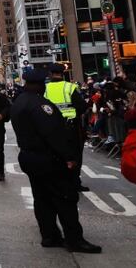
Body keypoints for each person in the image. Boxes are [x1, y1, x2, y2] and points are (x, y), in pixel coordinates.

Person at [11, 67, 101, 254]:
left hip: (29, 157)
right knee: (65, 198)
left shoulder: (19, 102)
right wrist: (68, 157)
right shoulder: (41, 105)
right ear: (38, 85)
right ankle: (74, 240)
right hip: (48, 159)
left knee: (42, 198)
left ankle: (49, 236)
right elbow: (53, 135)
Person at [44, 63, 89, 192]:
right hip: (71, 127)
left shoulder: (46, 89)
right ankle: (75, 182)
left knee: (55, 154)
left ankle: (58, 181)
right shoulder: (70, 87)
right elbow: (81, 106)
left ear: (51, 74)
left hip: (52, 128)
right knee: (75, 154)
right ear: (62, 74)